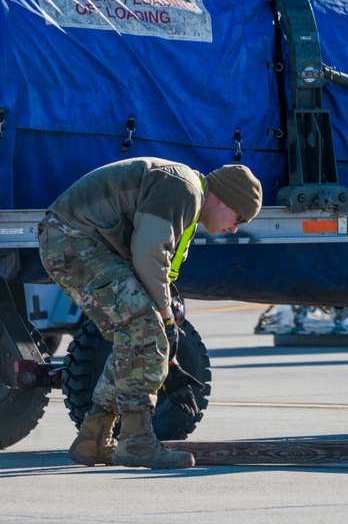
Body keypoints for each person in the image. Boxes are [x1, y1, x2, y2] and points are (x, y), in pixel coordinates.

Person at [38, 157, 263, 467]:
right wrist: (165, 322)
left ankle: (94, 438)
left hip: (74, 241)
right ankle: (136, 441)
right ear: (225, 198)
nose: (235, 228)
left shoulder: (187, 197)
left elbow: (159, 268)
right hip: (75, 240)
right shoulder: (183, 189)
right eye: (239, 217)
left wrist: (167, 351)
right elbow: (148, 256)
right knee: (145, 330)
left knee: (133, 338)